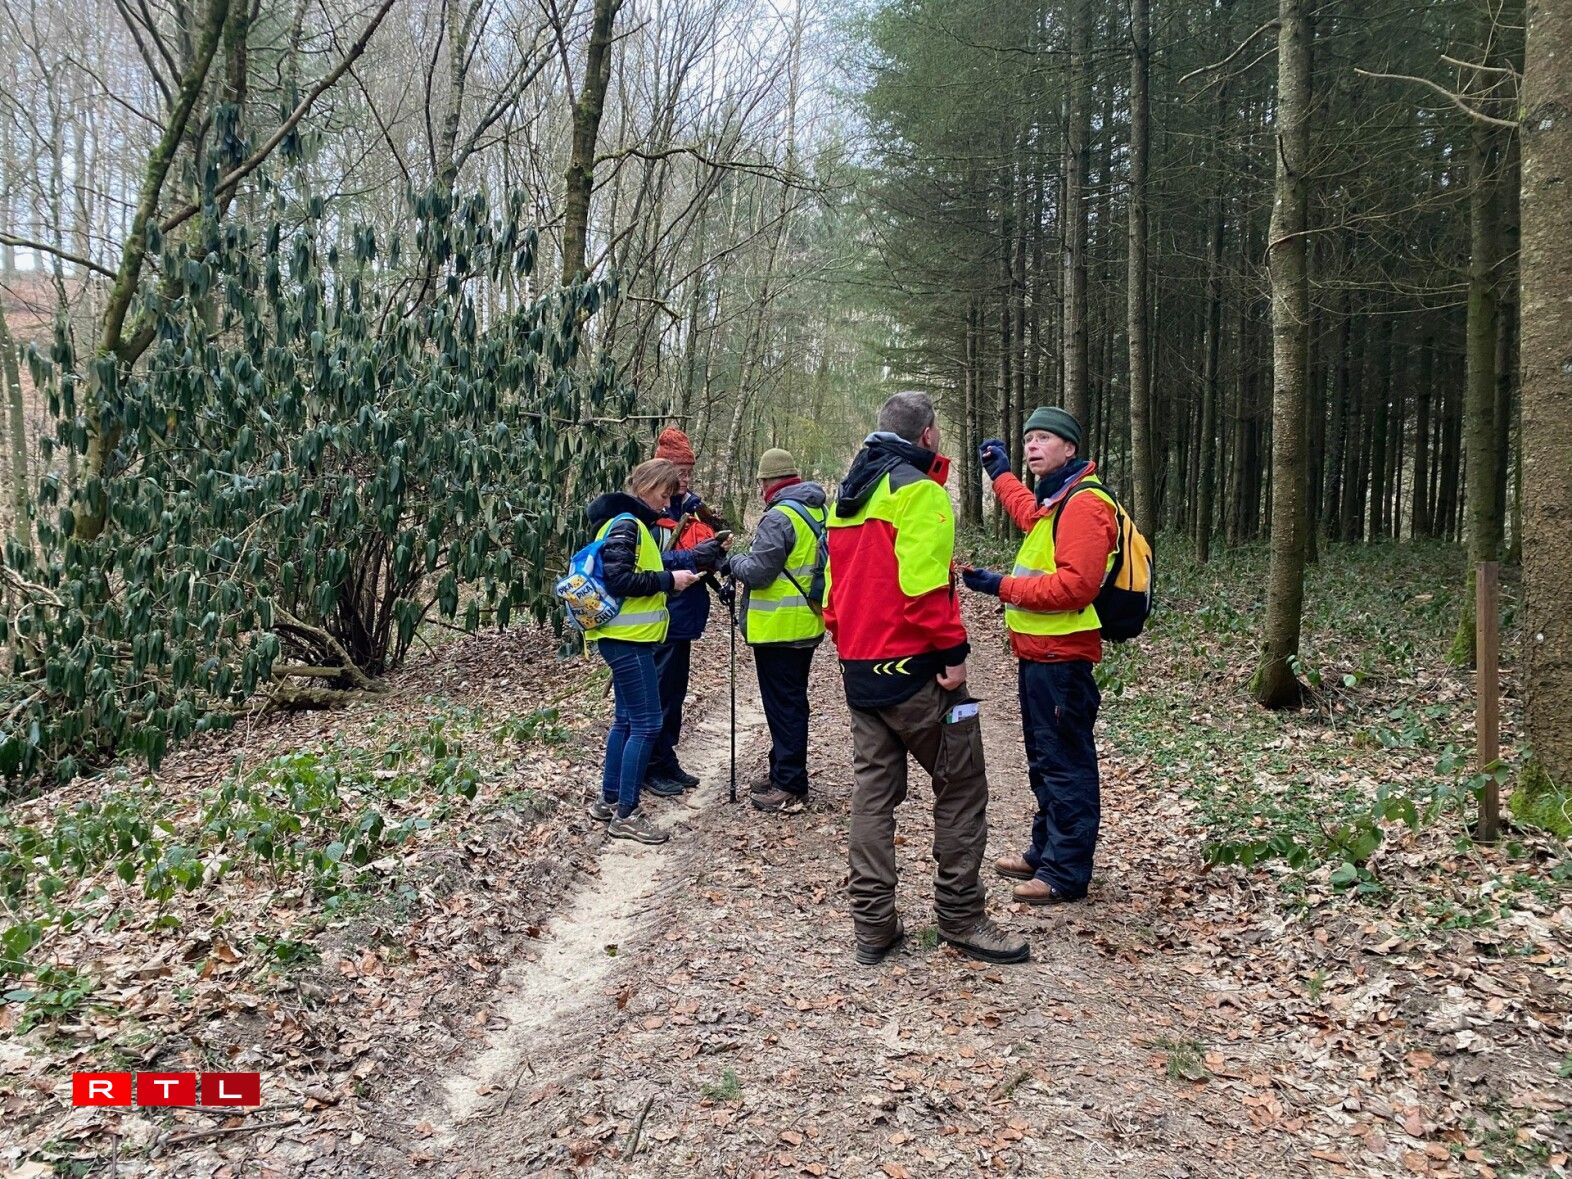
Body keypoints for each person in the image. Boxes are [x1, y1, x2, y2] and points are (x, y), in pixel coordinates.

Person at [824, 391, 1029, 967]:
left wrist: (852, 644)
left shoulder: (849, 495)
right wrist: (953, 653)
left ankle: (873, 926)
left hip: (861, 670)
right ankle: (961, 917)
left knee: (873, 796)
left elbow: (831, 594)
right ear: (929, 435)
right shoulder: (920, 491)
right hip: (916, 671)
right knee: (961, 787)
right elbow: (923, 588)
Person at [959, 407, 1117, 905]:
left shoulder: (1085, 504)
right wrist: (1000, 475)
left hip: (1063, 659)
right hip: (1040, 656)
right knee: (1044, 760)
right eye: (1029, 438)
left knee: (1065, 764)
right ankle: (1045, 851)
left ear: (1070, 448)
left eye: (1044, 438)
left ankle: (1065, 873)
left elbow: (1076, 587)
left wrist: (1001, 586)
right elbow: (1028, 512)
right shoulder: (1058, 499)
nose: (1032, 445)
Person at [584, 459, 704, 844]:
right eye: (664, 494)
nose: (667, 503)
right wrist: (670, 579)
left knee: (625, 721)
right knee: (648, 724)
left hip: (624, 637)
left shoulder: (625, 522)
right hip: (629, 640)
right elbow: (619, 579)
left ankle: (609, 800)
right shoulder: (627, 525)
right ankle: (627, 813)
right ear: (646, 486)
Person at [721, 448, 827, 815]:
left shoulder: (780, 516)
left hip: (779, 628)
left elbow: (758, 572)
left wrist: (733, 561)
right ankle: (781, 770)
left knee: (784, 706)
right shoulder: (816, 509)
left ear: (768, 481)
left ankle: (789, 783)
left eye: (761, 481)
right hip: (805, 622)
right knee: (790, 702)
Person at [645, 427, 729, 796]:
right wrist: (693, 556)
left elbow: (695, 556)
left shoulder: (692, 510)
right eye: (680, 472)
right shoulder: (648, 513)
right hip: (659, 617)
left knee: (675, 692)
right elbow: (646, 565)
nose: (686, 479)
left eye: (689, 472)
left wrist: (716, 557)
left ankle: (667, 758)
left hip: (684, 616)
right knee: (659, 693)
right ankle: (651, 765)